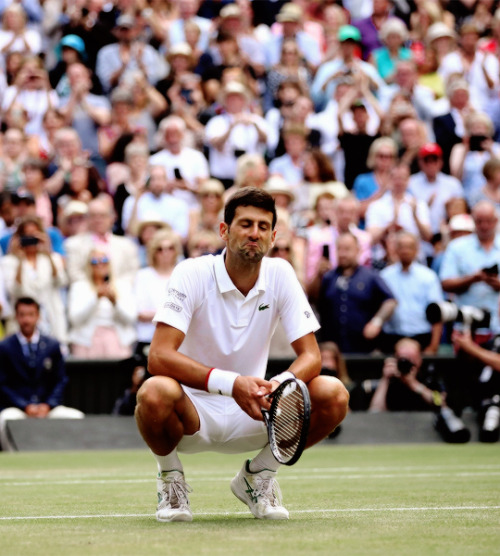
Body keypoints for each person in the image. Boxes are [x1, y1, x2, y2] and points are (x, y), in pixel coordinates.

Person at [134, 187, 349, 522]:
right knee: (153, 391)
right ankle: (170, 479)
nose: (254, 233)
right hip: (191, 414)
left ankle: (259, 476)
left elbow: (312, 357)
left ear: (274, 236)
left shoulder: (281, 273)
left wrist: (278, 386)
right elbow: (158, 357)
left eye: (263, 227)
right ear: (224, 231)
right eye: (246, 224)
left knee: (333, 393)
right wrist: (232, 383)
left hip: (255, 411)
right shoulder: (191, 272)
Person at [0, 297, 84, 451]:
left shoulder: (52, 345)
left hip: (48, 408)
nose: (26, 320)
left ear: (38, 316)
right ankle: (14, 458)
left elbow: (60, 380)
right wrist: (24, 406)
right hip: (17, 409)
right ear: (16, 317)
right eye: (22, 315)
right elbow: (3, 384)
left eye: (31, 315)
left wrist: (48, 405)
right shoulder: (5, 347)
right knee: (4, 420)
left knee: (76, 418)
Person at [368, 337, 471, 443]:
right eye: (403, 359)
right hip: (390, 435)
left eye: (411, 359)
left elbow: (440, 403)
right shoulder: (390, 380)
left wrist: (414, 384)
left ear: (419, 360)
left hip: (429, 434)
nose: (407, 363)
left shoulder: (430, 379)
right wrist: (385, 380)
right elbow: (375, 412)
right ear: (395, 359)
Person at [314, 232, 397, 354]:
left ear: (358, 250)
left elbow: (390, 301)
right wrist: (317, 275)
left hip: (364, 349)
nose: (342, 254)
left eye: (347, 249)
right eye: (339, 249)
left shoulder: (370, 276)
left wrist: (377, 322)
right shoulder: (328, 277)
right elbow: (313, 299)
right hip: (334, 350)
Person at [1, 215, 67, 344]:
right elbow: (15, 290)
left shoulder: (53, 258)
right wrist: (19, 260)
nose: (30, 239)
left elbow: (61, 281)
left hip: (51, 320)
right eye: (26, 235)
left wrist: (48, 251)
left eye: (34, 235)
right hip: (22, 324)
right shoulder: (9, 262)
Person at [439, 200, 500, 335]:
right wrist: (472, 279)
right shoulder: (457, 247)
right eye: (479, 221)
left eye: (489, 221)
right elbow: (446, 283)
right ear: (473, 221)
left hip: (497, 326)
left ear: (496, 221)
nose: (484, 226)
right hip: (466, 326)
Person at [380, 231, 445, 354]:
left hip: (421, 337)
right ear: (396, 249)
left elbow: (437, 313)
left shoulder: (428, 276)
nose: (405, 251)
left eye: (409, 247)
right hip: (391, 338)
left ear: (416, 249)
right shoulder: (385, 276)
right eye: (402, 247)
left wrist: (433, 346)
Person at [67, 248, 137, 359]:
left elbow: (130, 318)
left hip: (118, 341)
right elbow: (75, 319)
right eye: (94, 262)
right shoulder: (79, 287)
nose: (100, 265)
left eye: (104, 260)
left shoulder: (123, 286)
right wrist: (96, 297)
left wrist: (115, 302)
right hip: (86, 343)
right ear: (88, 266)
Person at [133, 229, 182, 360]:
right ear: (153, 252)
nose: (165, 253)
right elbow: (141, 312)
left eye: (170, 248)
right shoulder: (143, 276)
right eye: (160, 249)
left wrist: (156, 315)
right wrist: (172, 315)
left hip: (177, 340)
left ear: (176, 251)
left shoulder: (182, 274)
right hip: (147, 337)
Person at [452, 329, 500, 442]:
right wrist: (463, 342)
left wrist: (471, 347)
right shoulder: (492, 340)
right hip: (482, 398)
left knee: (492, 417)